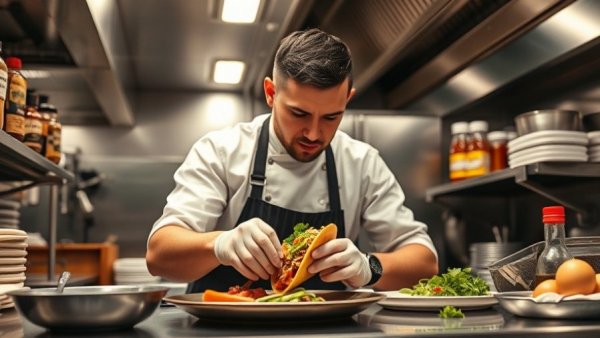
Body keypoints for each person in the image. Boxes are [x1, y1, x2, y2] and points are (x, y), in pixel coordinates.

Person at [146, 28, 438, 292]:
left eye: (331, 117)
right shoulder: (222, 151)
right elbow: (159, 255)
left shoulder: (362, 163)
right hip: (225, 330)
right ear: (271, 93)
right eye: (299, 114)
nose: (314, 133)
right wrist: (219, 244)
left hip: (329, 331)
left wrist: (369, 267)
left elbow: (424, 262)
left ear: (347, 99)